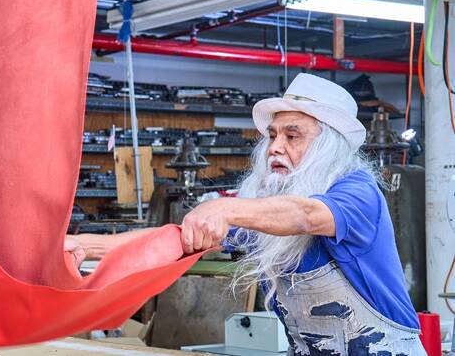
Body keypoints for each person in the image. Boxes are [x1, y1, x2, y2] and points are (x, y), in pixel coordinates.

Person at [65, 73, 425, 355]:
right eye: (272, 136)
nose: (275, 148)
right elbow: (171, 239)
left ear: (327, 145)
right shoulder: (265, 215)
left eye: (292, 136)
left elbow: (307, 215)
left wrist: (225, 207)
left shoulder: (357, 191)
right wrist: (81, 245)